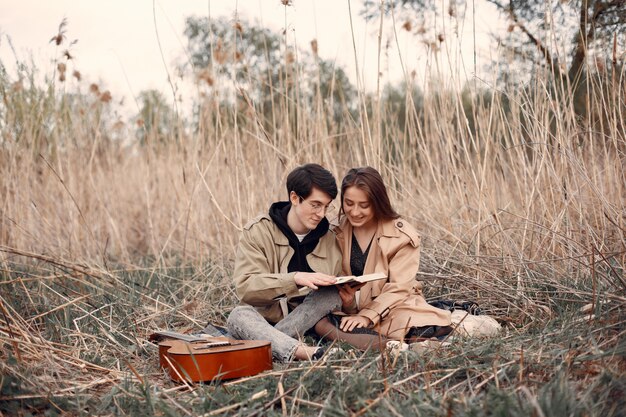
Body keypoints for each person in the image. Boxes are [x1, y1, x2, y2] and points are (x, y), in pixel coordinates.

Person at [314, 166, 452, 350]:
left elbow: (399, 288)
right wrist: (349, 304)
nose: (355, 212)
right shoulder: (333, 232)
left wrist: (366, 316)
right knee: (323, 323)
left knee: (416, 324)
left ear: (378, 202)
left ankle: (384, 340)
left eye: (364, 205)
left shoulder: (401, 236)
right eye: (349, 203)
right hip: (349, 311)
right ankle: (386, 343)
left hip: (394, 307)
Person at [227, 163, 344, 362]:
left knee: (330, 294)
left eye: (326, 206)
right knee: (239, 315)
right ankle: (306, 352)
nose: (321, 214)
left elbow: (333, 295)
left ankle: (270, 343)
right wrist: (295, 279)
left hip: (308, 323)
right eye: (315, 205)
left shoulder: (331, 239)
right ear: (294, 198)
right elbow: (246, 288)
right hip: (265, 321)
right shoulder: (258, 232)